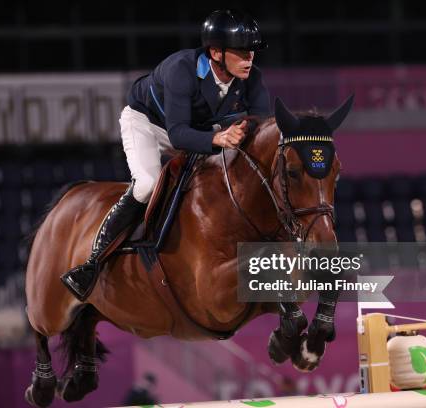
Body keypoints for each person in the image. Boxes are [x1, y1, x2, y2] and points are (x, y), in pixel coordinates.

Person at [61, 9, 271, 301]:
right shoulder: (181, 69)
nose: (249, 58)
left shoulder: (252, 78)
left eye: (252, 51)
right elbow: (178, 135)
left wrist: (243, 129)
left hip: (201, 129)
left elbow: (263, 123)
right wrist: (219, 137)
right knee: (147, 184)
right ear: (215, 53)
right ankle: (92, 264)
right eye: (241, 51)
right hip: (149, 124)